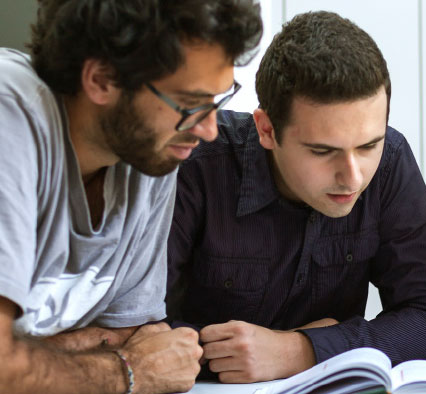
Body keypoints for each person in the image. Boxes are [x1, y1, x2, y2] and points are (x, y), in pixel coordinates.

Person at [167, 10, 426, 383]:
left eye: (369, 145)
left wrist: (301, 349)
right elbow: (139, 334)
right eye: (323, 152)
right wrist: (237, 355)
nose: (353, 177)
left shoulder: (390, 162)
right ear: (267, 129)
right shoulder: (197, 164)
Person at [0, 1, 261, 393]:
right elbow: (140, 358)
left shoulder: (149, 151)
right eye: (190, 104)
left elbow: (142, 335)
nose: (209, 130)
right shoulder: (11, 114)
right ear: (102, 80)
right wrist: (126, 372)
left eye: (217, 101)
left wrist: (30, 359)